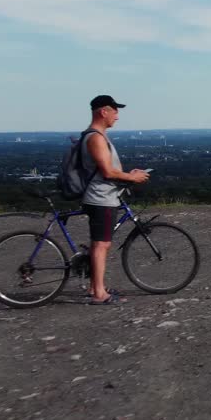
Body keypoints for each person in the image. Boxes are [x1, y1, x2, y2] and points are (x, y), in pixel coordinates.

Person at [81, 95, 150, 304]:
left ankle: (95, 286)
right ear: (104, 112)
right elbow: (108, 172)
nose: (117, 116)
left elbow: (107, 170)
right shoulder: (96, 138)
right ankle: (99, 294)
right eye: (115, 111)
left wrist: (128, 174)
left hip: (102, 196)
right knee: (101, 244)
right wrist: (132, 178)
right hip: (101, 198)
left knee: (98, 243)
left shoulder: (96, 135)